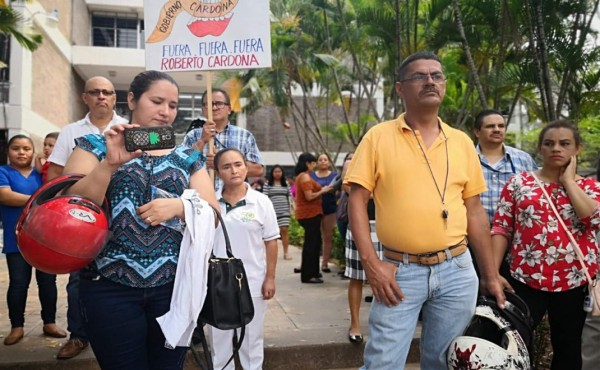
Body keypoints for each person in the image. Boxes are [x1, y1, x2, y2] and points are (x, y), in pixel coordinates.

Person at [345, 51, 504, 369]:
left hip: (457, 270)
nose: (430, 80)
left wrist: (490, 275)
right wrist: (372, 264)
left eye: (437, 75)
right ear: (400, 88)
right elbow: (357, 201)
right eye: (419, 76)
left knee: (445, 361)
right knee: (382, 363)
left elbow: (473, 210)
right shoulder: (378, 137)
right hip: (400, 271)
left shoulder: (460, 142)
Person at [61, 70, 219, 369]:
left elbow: (212, 213)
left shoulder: (188, 157)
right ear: (131, 99)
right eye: (157, 101)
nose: (165, 112)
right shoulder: (94, 145)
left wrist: (181, 206)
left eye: (173, 105)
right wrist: (109, 164)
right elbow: (73, 206)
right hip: (108, 284)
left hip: (173, 288)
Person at [492, 120, 600, 370]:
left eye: (565, 144)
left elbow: (593, 220)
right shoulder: (519, 184)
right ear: (540, 148)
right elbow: (501, 229)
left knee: (569, 348)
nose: (556, 149)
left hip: (574, 282)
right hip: (524, 279)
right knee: (515, 344)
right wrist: (494, 273)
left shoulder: (590, 187)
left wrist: (569, 182)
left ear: (577, 149)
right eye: (549, 143)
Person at [46, 76, 128, 360]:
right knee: (78, 280)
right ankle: (79, 335)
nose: (102, 96)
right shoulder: (70, 132)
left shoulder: (129, 128)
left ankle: (115, 332)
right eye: (95, 92)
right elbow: (56, 175)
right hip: (81, 218)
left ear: (115, 98)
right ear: (85, 97)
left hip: (119, 217)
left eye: (107, 92)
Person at [207, 148, 279, 370]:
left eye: (238, 165)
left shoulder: (261, 202)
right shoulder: (210, 203)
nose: (234, 171)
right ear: (218, 172)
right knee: (219, 341)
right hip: (218, 283)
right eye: (226, 167)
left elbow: (271, 241)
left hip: (253, 281)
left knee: (251, 340)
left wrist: (270, 278)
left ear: (246, 168)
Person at [0, 135, 66, 345]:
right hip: (16, 240)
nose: (21, 152)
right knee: (19, 284)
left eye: (26, 149)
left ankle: (50, 322)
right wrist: (40, 199)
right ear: (8, 152)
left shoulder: (41, 174)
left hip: (45, 240)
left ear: (32, 152)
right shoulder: (3, 172)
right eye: (16, 148)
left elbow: (58, 190)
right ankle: (16, 327)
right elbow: (6, 196)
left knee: (48, 282)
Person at [474, 109, 538, 276]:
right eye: (490, 126)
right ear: (477, 132)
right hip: (475, 239)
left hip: (516, 240)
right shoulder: (466, 159)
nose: (497, 129)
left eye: (501, 126)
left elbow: (538, 192)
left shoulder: (523, 159)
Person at [182, 88, 264, 191]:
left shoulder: (244, 136)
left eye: (219, 103)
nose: (214, 107)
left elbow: (258, 170)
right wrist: (202, 141)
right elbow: (181, 166)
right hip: (201, 199)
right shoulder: (192, 135)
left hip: (234, 201)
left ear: (229, 109)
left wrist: (222, 163)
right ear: (203, 109)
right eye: (209, 104)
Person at [294, 152, 333, 284]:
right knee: (311, 245)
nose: (314, 165)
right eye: (313, 163)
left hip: (311, 213)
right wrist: (323, 190)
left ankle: (314, 272)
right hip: (309, 214)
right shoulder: (304, 177)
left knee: (315, 243)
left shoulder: (303, 176)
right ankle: (308, 275)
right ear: (307, 163)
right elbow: (309, 196)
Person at [310, 153, 338, 272]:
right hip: (314, 210)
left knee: (327, 237)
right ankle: (312, 263)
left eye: (325, 160)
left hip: (330, 209)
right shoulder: (311, 176)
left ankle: (325, 263)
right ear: (317, 162)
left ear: (329, 162)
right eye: (320, 160)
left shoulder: (335, 176)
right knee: (314, 238)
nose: (323, 161)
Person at [263, 165, 293, 260]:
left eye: (279, 171)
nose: (277, 173)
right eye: (275, 171)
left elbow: (290, 196)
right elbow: (264, 198)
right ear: (272, 173)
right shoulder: (268, 184)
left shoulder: (286, 184)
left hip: (284, 210)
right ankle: (271, 253)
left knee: (284, 230)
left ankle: (286, 252)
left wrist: (292, 208)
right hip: (272, 212)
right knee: (272, 233)